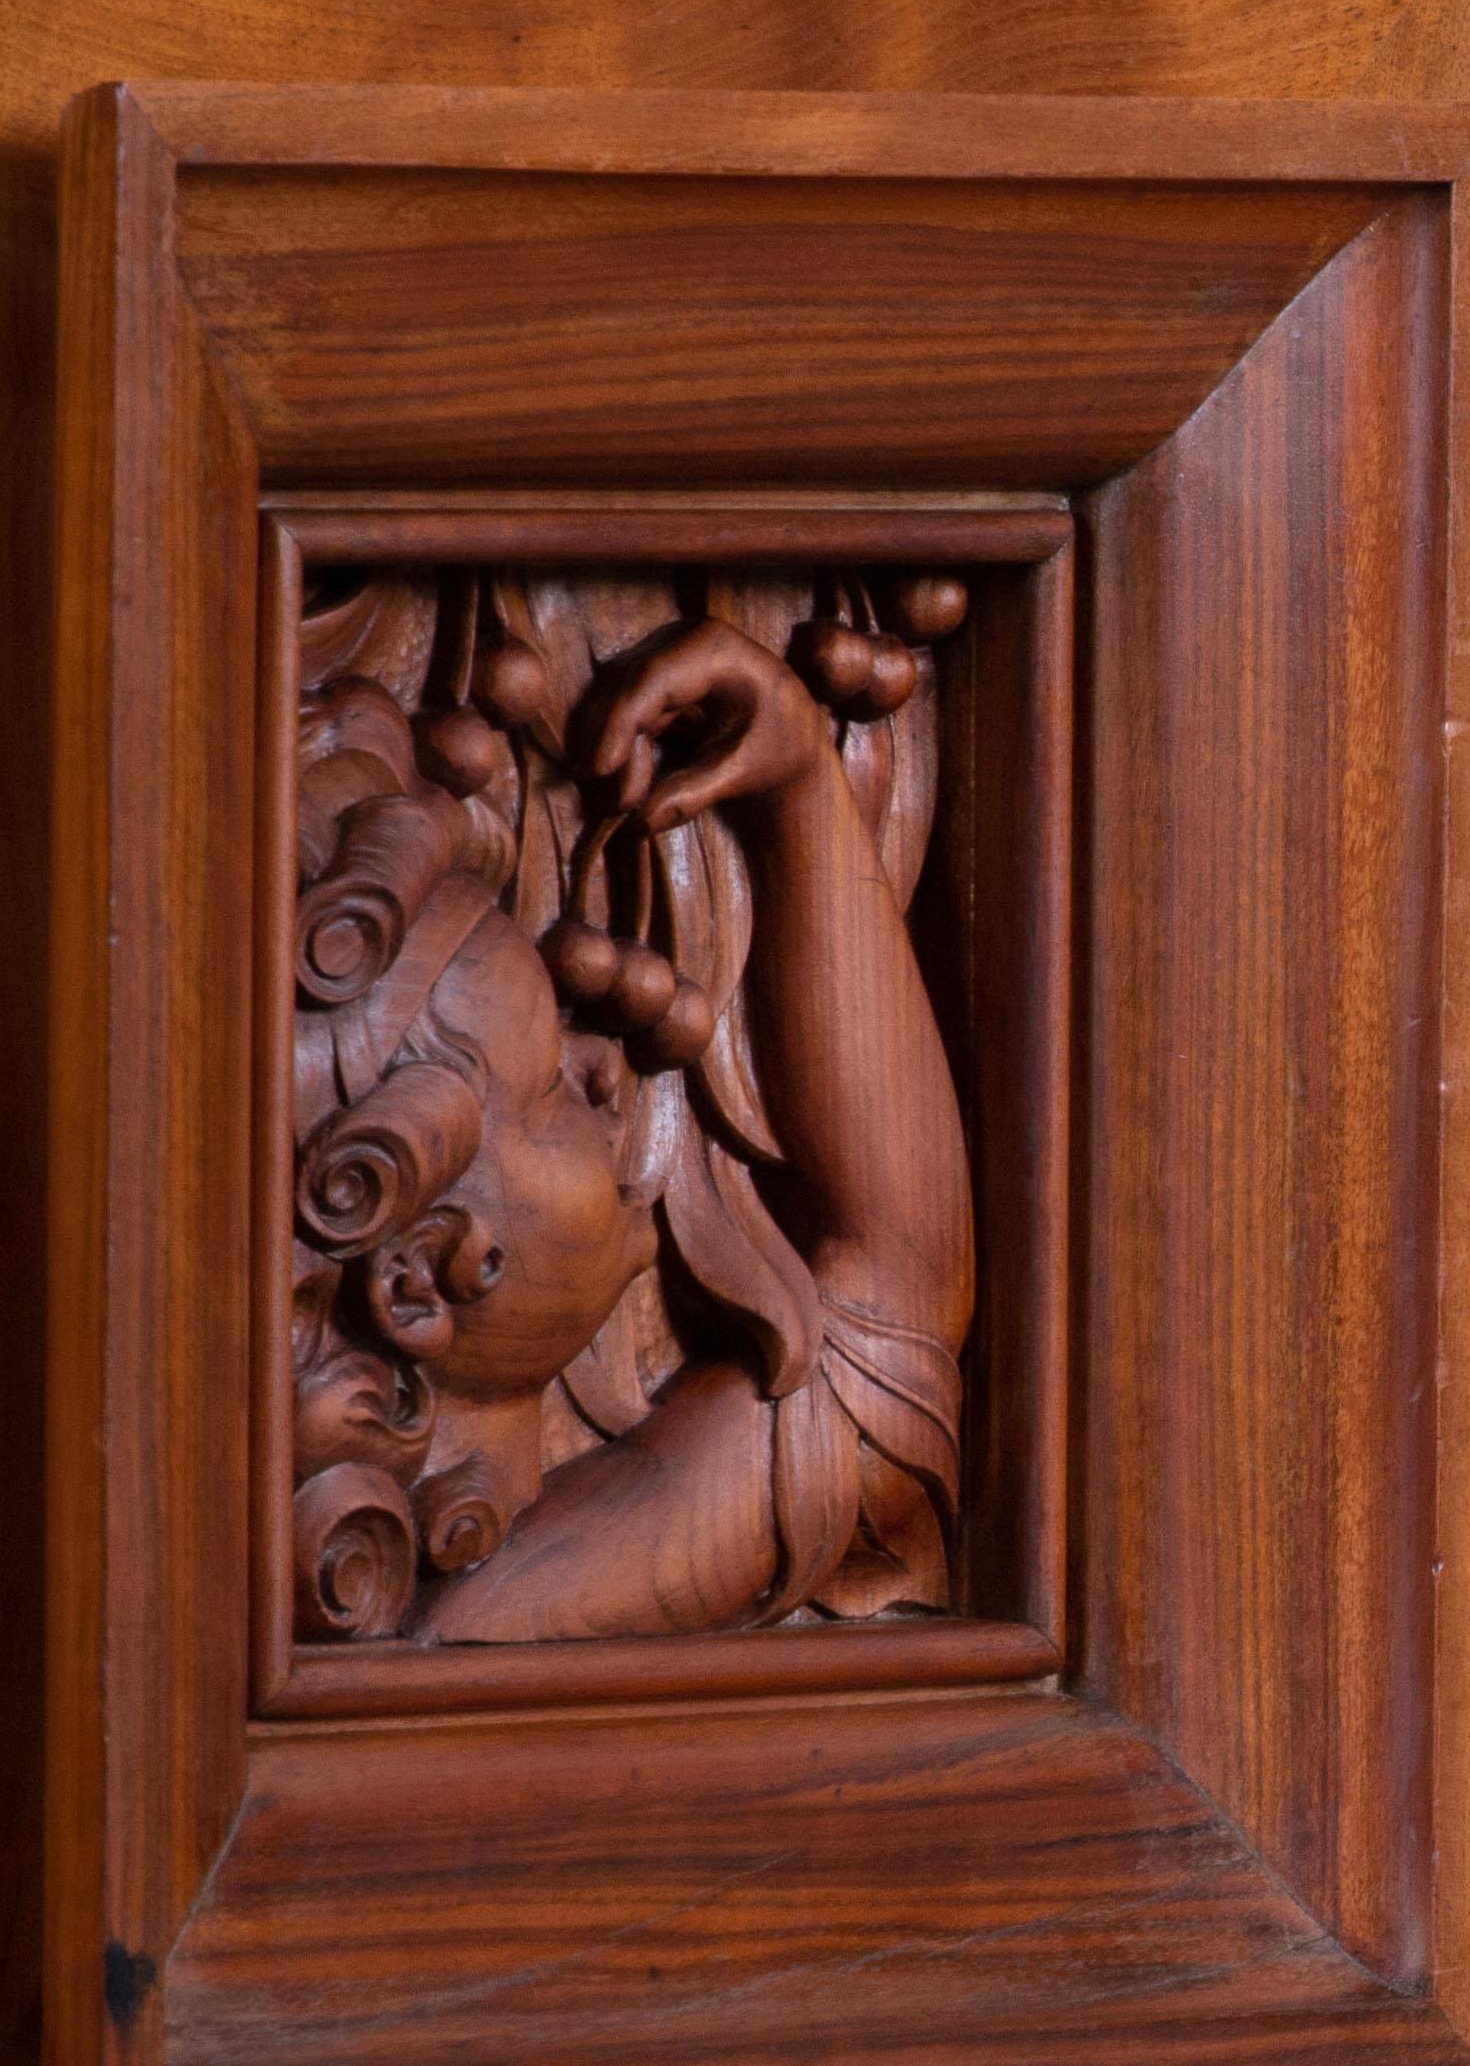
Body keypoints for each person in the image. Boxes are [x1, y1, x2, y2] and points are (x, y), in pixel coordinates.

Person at [283, 574, 976, 1645]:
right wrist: (798, 793)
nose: (609, 1074)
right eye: (548, 1090)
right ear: (419, 1275)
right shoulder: (492, 1614)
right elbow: (894, 1314)